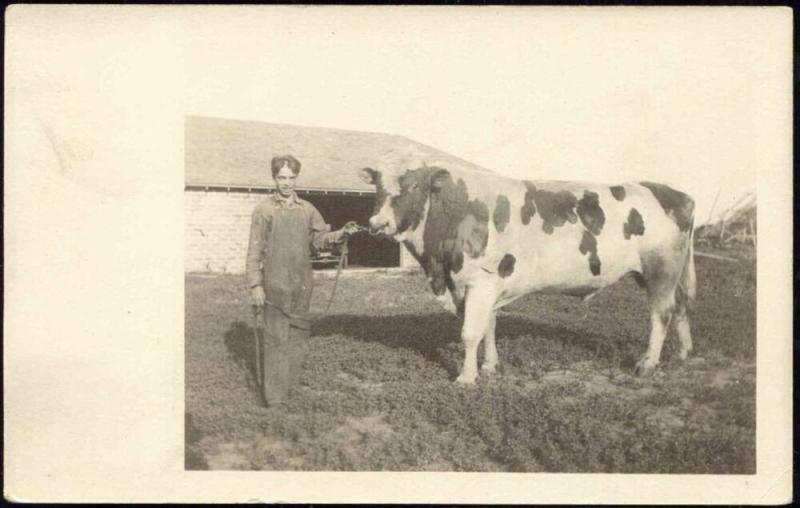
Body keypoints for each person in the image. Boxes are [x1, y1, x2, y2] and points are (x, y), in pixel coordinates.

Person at [246, 154, 359, 406]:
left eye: (291, 177)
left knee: (298, 338)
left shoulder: (307, 209)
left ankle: (290, 389)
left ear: (297, 178)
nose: (286, 182)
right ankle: (275, 400)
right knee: (276, 340)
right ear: (274, 178)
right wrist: (256, 285)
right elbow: (254, 251)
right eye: (281, 177)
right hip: (274, 285)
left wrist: (342, 233)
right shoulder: (264, 211)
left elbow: (319, 241)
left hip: (302, 284)